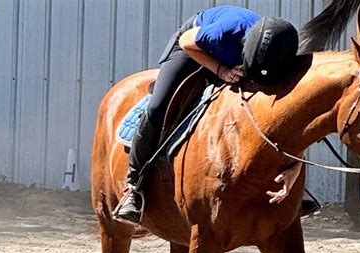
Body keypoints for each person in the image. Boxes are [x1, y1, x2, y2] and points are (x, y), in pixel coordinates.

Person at [113, 5, 301, 226]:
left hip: (242, 55)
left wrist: (295, 167)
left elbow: (292, 119)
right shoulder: (223, 32)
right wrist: (221, 70)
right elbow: (187, 41)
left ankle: (296, 191)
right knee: (158, 107)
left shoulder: (280, 51)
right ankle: (133, 187)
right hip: (191, 47)